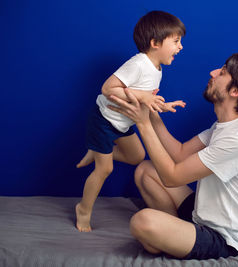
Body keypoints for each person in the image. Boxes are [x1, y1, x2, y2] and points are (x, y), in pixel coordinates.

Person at [108, 53, 238, 260]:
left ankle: (169, 235)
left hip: (225, 238)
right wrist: (151, 112)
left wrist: (142, 123)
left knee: (142, 222)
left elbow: (172, 177)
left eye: (222, 73)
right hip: (202, 215)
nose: (212, 73)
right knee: (146, 171)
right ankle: (175, 234)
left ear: (236, 91)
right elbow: (179, 153)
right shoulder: (227, 124)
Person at [75, 10, 186, 232]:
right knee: (104, 169)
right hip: (104, 120)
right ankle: (83, 210)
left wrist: (160, 105)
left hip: (123, 123)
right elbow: (108, 88)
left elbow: (145, 98)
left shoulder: (158, 69)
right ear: (155, 43)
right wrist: (143, 95)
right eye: (175, 41)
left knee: (136, 156)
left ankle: (97, 151)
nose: (180, 47)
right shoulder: (138, 63)